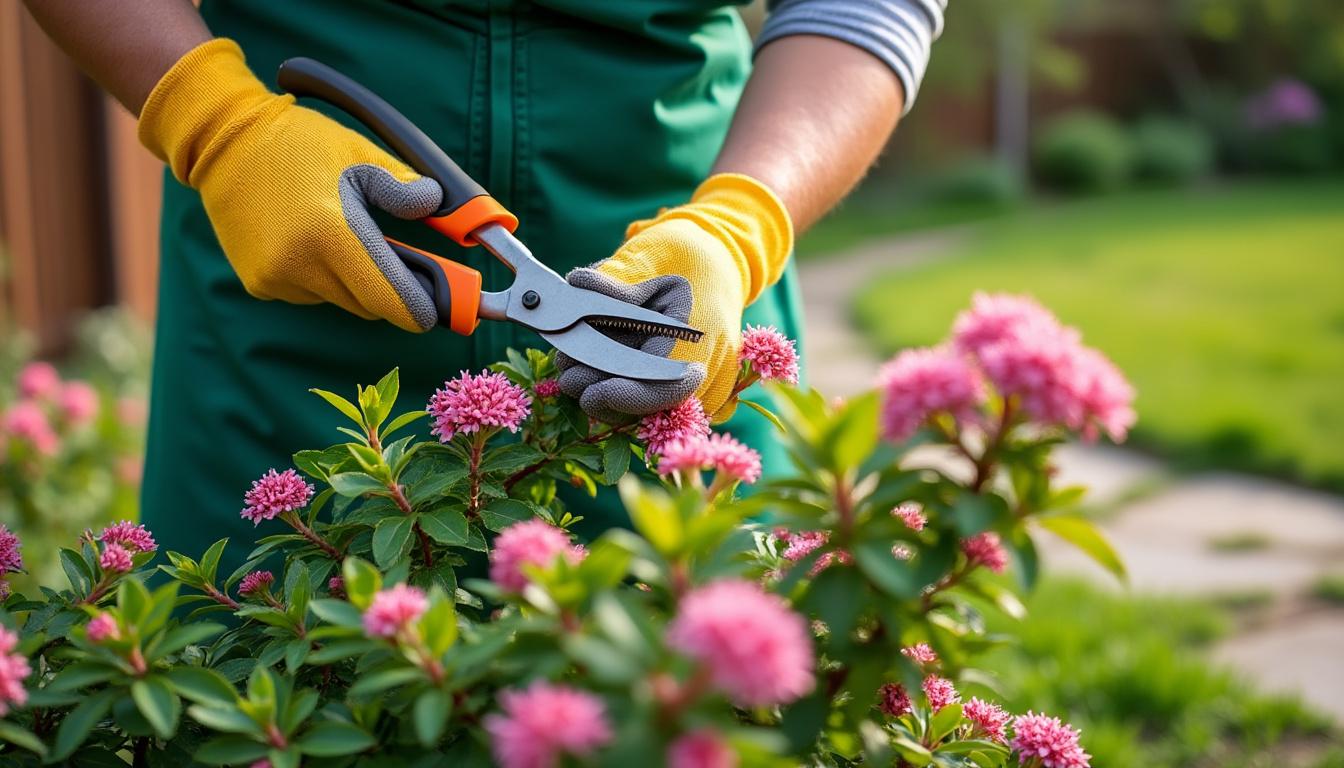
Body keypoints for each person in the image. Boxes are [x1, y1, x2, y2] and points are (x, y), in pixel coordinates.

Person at [23, 0, 944, 563]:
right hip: (293, 236)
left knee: (710, 692)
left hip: (674, 291)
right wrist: (215, 121)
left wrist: (740, 222)